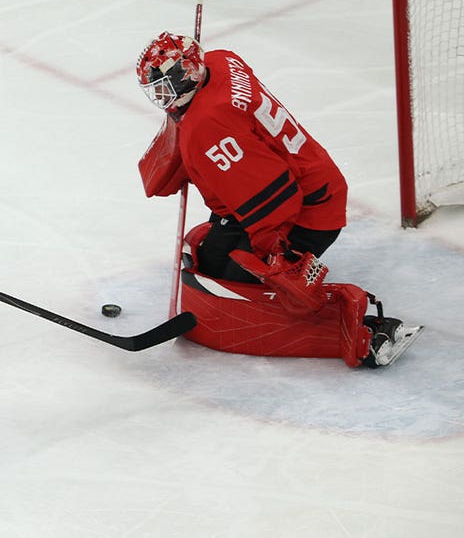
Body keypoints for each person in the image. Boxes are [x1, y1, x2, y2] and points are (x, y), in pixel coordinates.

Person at [134, 31, 421, 367]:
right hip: (317, 180)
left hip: (308, 211)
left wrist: (276, 254)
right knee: (208, 262)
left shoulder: (207, 125)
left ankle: (364, 332)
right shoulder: (220, 61)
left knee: (229, 284)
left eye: (166, 84)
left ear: (188, 74)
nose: (161, 94)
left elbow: (274, 197)